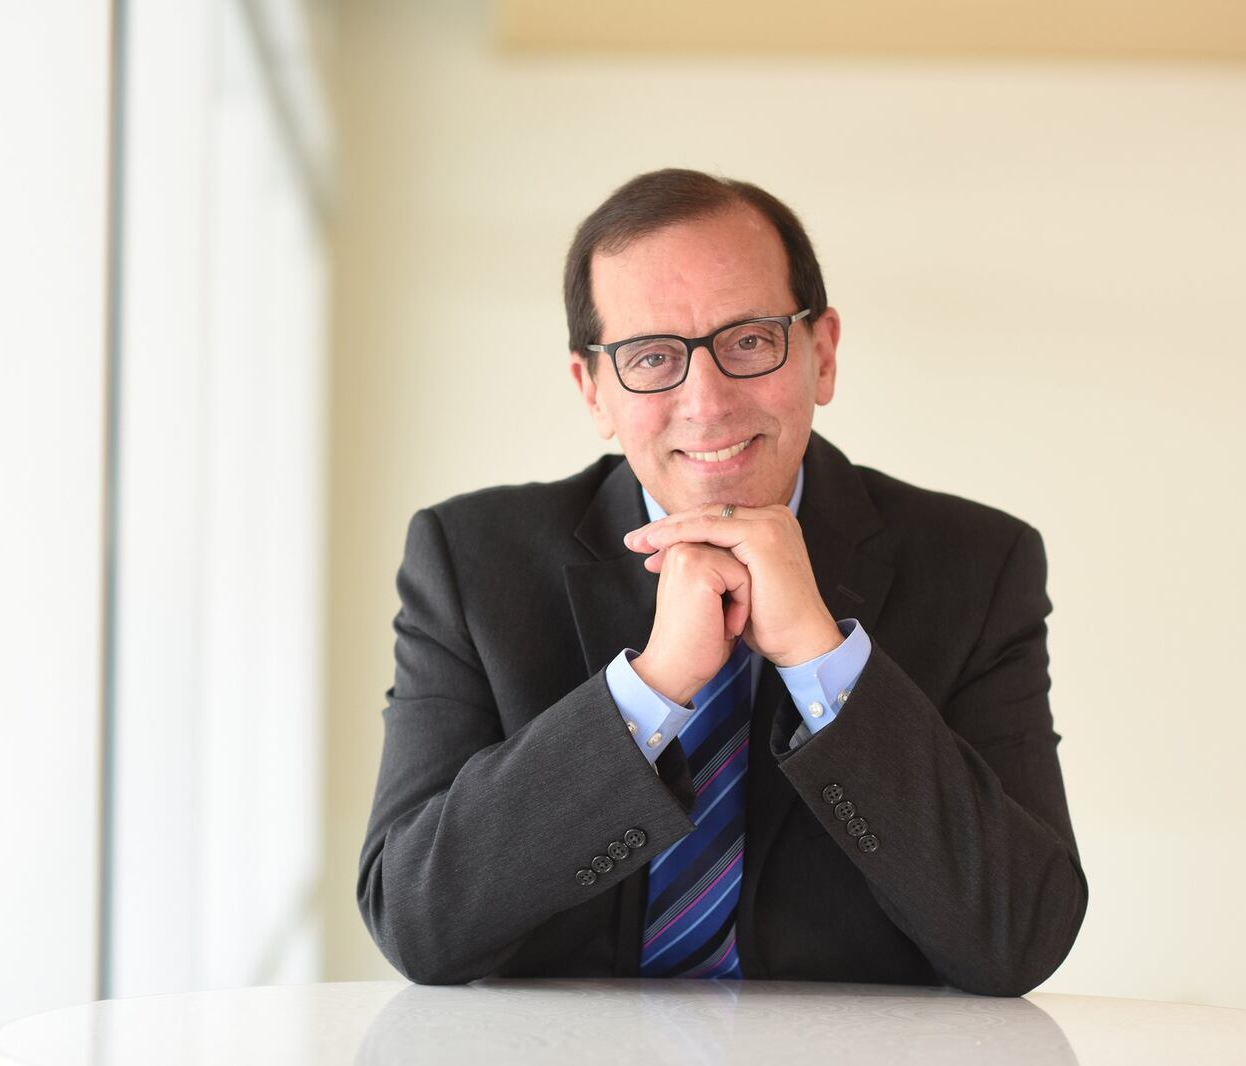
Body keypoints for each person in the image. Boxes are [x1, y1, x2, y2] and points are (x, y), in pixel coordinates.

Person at [355, 169, 1086, 995]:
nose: (706, 402)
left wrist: (821, 658)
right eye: (652, 357)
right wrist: (652, 689)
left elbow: (1019, 937)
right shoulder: (468, 560)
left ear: (823, 354)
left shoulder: (979, 565)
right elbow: (416, 920)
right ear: (592, 391)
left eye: (748, 340)